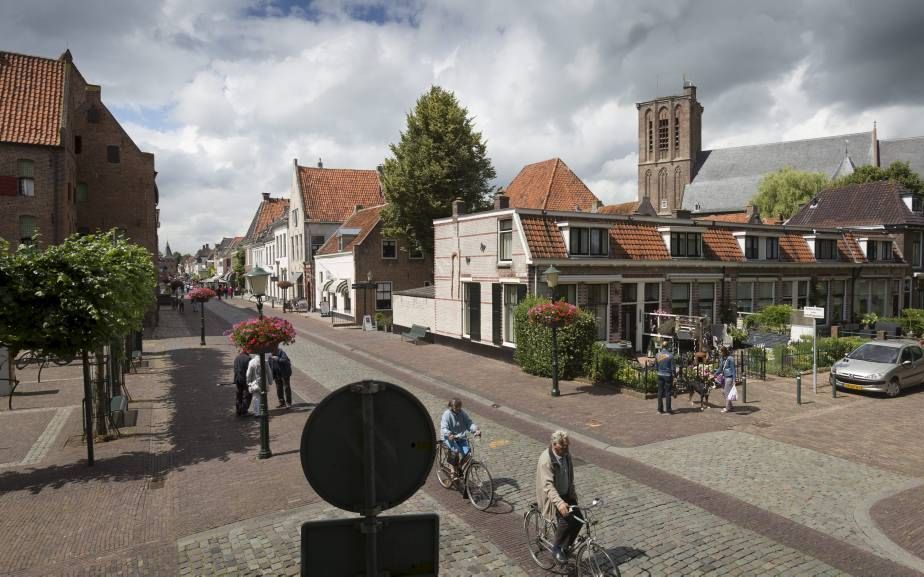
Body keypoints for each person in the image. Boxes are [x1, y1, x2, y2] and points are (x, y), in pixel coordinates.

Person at [536, 430, 580, 565]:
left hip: (566, 494)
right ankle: (556, 548)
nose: (566, 448)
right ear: (554, 444)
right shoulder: (546, 460)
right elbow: (548, 486)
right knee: (565, 521)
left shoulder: (566, 455)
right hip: (552, 497)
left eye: (567, 445)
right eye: (563, 446)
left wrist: (572, 495)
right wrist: (560, 503)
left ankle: (565, 547)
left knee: (579, 520)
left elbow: (570, 476)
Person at [440, 399, 480, 477]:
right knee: (455, 452)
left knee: (468, 454)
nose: (458, 410)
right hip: (449, 437)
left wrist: (475, 429)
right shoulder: (447, 415)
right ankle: (452, 471)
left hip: (460, 437)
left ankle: (459, 467)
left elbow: (469, 423)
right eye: (456, 408)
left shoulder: (462, 413)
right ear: (451, 407)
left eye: (460, 408)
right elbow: (444, 427)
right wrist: (449, 434)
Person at [655, 339, 674, 415]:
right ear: (668, 346)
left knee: (660, 392)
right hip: (668, 375)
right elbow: (673, 368)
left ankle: (659, 410)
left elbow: (656, 367)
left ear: (662, 346)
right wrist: (675, 375)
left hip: (660, 374)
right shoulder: (670, 356)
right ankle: (668, 410)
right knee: (668, 393)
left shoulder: (657, 355)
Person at [716, 346, 737, 413]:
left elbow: (733, 369)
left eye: (720, 352)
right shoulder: (722, 358)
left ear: (724, 351)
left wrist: (734, 379)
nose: (719, 353)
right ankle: (730, 406)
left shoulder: (730, 358)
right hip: (724, 377)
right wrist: (714, 374)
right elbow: (720, 368)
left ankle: (727, 408)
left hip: (729, 377)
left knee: (727, 392)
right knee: (723, 391)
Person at [233, 349, 252, 416]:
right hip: (245, 379)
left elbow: (235, 369)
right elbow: (249, 370)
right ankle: (244, 411)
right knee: (247, 395)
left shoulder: (236, 358)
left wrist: (235, 379)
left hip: (238, 379)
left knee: (239, 395)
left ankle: (238, 410)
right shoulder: (248, 358)